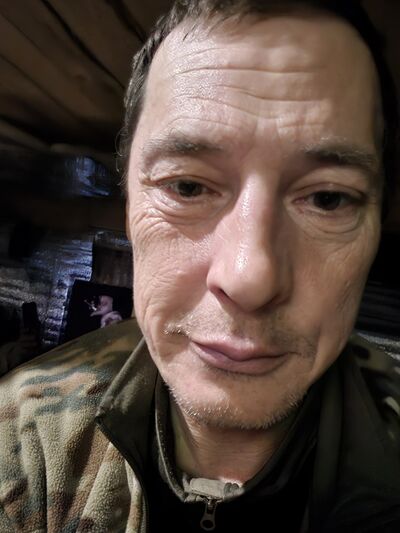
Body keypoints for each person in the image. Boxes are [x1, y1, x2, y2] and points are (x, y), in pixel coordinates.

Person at [0, 1, 400, 531]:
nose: (249, 279)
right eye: (187, 187)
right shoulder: (22, 433)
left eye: (328, 199)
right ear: (128, 206)